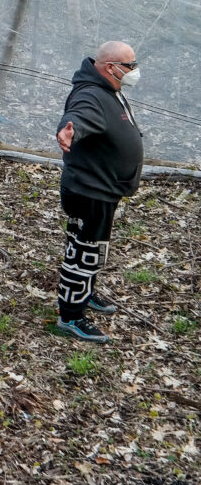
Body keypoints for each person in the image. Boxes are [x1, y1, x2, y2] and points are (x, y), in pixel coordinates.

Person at [54, 41, 144, 343]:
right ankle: (71, 315)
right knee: (82, 251)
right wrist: (70, 130)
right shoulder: (92, 94)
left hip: (104, 189)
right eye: (130, 65)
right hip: (89, 190)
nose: (134, 71)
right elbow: (79, 116)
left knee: (92, 250)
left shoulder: (110, 90)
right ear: (110, 67)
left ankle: (86, 293)